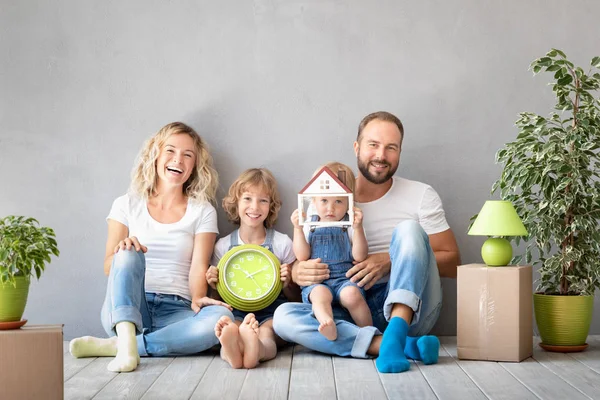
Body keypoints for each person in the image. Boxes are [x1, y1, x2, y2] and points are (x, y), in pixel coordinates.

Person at [273, 111, 461, 374]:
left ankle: (396, 332)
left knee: (408, 230)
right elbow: (302, 255)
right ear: (357, 147)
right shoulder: (330, 200)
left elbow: (453, 262)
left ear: (399, 152)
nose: (381, 155)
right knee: (283, 318)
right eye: (373, 145)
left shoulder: (420, 195)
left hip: (408, 307)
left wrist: (389, 260)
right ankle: (394, 346)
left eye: (391, 148)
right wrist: (296, 271)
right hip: (347, 307)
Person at [69, 122, 234, 372]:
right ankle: (127, 338)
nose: (178, 159)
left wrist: (200, 297)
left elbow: (198, 266)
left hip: (178, 310)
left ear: (194, 166)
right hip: (130, 307)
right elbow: (107, 267)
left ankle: (121, 347)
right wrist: (123, 250)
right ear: (155, 154)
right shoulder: (126, 204)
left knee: (222, 320)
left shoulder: (202, 211)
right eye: (170, 150)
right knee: (125, 253)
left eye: (187, 155)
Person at [206, 168, 299, 369]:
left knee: (266, 333)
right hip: (236, 311)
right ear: (236, 203)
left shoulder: (282, 243)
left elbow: (296, 298)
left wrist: (287, 282)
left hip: (273, 311)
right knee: (232, 328)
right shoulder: (223, 246)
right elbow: (217, 299)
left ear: (271, 206)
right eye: (247, 198)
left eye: (263, 200)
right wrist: (213, 285)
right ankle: (232, 350)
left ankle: (255, 349)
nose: (254, 207)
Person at [290, 162, 371, 341]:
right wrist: (297, 229)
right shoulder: (310, 223)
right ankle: (327, 324)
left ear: (349, 201)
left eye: (338, 201)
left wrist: (358, 229)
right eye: (324, 200)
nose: (330, 209)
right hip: (318, 281)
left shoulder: (350, 223)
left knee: (352, 295)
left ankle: (370, 332)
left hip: (344, 278)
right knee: (320, 295)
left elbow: (359, 256)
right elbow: (302, 256)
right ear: (313, 200)